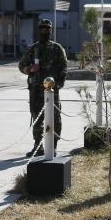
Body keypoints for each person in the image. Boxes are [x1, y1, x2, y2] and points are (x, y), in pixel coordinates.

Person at [18, 18, 67, 157]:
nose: (44, 31)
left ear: (50, 30)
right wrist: (29, 69)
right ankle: (38, 146)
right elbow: (21, 65)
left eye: (46, 29)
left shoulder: (57, 48)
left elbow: (64, 67)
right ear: (38, 30)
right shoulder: (33, 49)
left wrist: (58, 84)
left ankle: (53, 145)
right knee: (36, 118)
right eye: (42, 28)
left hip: (52, 90)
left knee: (55, 118)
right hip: (36, 89)